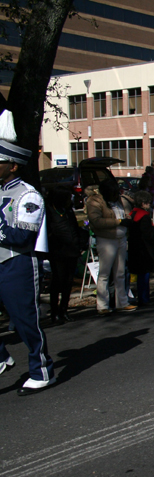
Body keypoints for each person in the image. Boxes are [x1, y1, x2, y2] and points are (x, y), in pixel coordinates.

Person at [0, 110, 57, 394]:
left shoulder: (28, 194)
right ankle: (2, 357)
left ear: (13, 166)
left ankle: (42, 369)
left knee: (25, 320)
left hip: (17, 263)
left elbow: (22, 236)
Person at [85, 178, 136, 315]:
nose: (116, 195)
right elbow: (96, 221)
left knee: (120, 273)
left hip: (121, 238)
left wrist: (127, 219)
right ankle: (102, 305)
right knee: (105, 274)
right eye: (113, 193)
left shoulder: (118, 200)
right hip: (107, 239)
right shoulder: (95, 201)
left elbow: (124, 213)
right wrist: (118, 221)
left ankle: (122, 302)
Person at [46, 185, 87, 323]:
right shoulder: (50, 211)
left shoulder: (68, 210)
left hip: (72, 250)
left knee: (68, 282)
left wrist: (80, 243)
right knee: (58, 281)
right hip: (58, 252)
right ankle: (54, 312)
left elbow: (75, 227)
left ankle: (64, 310)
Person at [127, 190, 154, 306]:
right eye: (148, 202)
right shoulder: (144, 217)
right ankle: (144, 298)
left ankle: (141, 297)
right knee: (144, 276)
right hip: (144, 250)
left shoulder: (133, 214)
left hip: (134, 248)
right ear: (143, 203)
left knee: (140, 275)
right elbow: (148, 235)